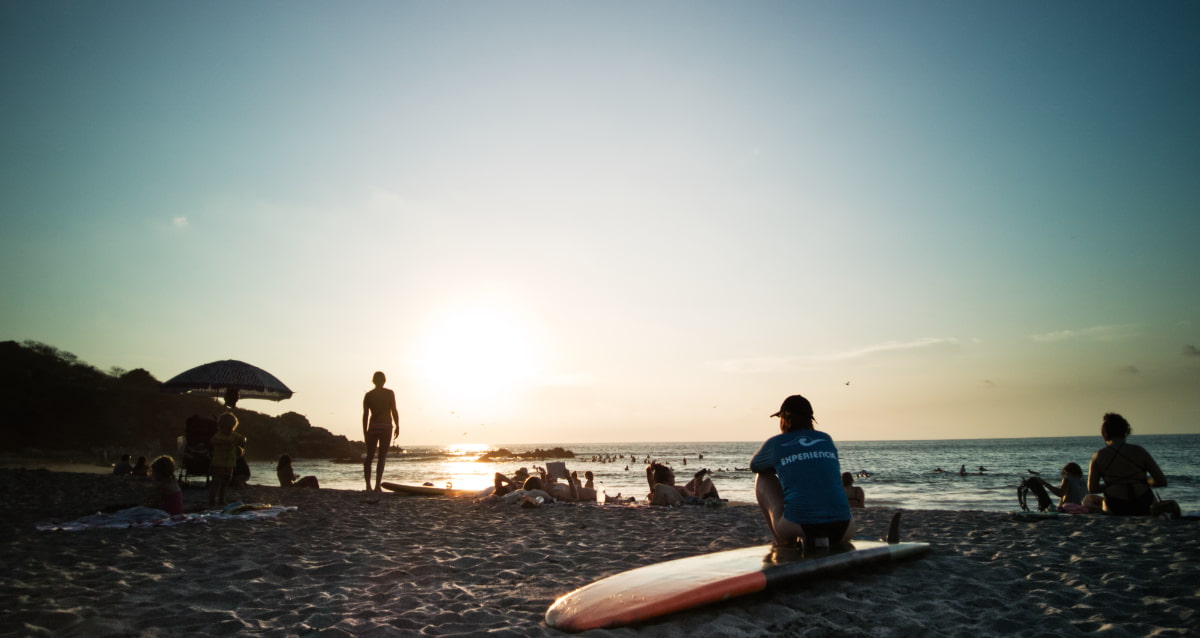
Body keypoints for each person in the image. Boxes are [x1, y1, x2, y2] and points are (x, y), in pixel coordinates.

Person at [751, 394, 855, 554]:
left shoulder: (777, 443)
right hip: (845, 527)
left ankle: (782, 542)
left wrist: (782, 466)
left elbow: (755, 466)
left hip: (802, 526)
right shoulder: (826, 439)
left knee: (762, 477)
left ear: (784, 418)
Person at [1086, 413, 1167, 515]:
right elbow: (1162, 481)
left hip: (1115, 503)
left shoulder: (1098, 456)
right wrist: (1141, 481)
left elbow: (1092, 488)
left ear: (1104, 433)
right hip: (1143, 500)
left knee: (1089, 500)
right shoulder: (1139, 451)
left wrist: (1113, 483)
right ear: (1126, 431)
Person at [362, 371, 399, 492]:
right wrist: (397, 425)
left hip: (373, 426)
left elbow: (365, 415)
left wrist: (365, 431)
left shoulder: (369, 395)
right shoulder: (389, 393)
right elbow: (394, 410)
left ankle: (368, 485)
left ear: (373, 381)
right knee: (381, 457)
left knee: (370, 456)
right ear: (384, 381)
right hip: (386, 426)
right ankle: (377, 485)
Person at [208, 412, 247, 507]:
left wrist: (241, 441)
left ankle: (221, 499)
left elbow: (244, 439)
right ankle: (212, 500)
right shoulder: (219, 435)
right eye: (228, 428)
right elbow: (212, 440)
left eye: (232, 428)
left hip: (230, 463)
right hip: (219, 462)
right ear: (221, 426)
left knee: (225, 482)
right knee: (216, 482)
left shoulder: (234, 435)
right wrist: (223, 442)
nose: (230, 430)